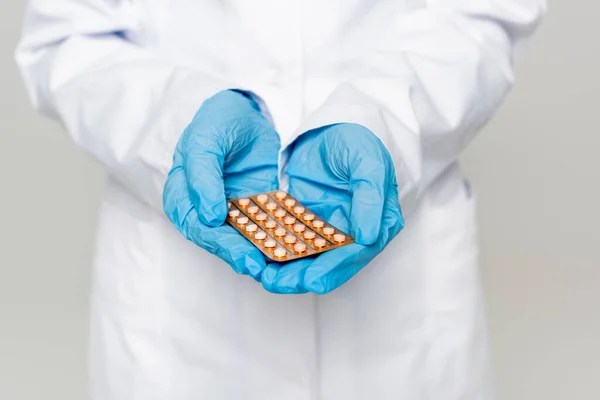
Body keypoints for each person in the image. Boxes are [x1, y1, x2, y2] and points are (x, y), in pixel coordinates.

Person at [16, 0, 545, 399]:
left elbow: (483, 14)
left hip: (401, 296)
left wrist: (386, 122)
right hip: (180, 308)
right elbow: (67, 39)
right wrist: (175, 123)